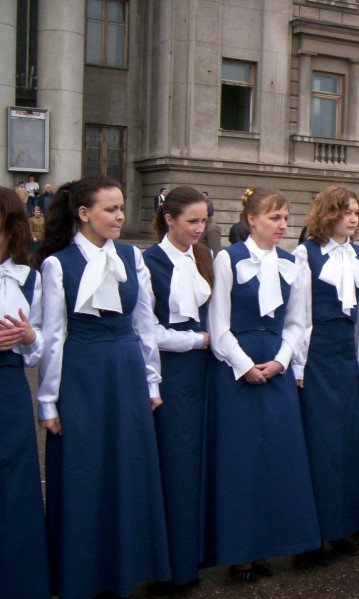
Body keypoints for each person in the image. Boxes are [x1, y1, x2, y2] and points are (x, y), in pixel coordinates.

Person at [36, 176, 170, 599]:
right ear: (83, 213)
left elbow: (144, 324)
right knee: (85, 471)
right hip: (83, 375)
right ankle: (82, 574)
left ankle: (125, 568)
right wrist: (48, 402)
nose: (120, 216)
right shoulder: (58, 264)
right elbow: (53, 336)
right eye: (110, 209)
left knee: (128, 468)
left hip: (127, 371)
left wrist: (152, 380)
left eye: (121, 208)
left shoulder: (132, 257)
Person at [205, 187, 321, 579]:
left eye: (286, 217)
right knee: (240, 461)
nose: (283, 225)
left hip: (276, 366)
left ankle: (268, 545)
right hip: (236, 368)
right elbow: (218, 323)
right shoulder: (228, 258)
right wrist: (244, 365)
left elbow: (299, 322)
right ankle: (240, 553)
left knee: (277, 458)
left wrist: (282, 360)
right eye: (274, 217)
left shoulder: (293, 263)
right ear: (252, 219)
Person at [292, 185, 359, 560]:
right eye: (346, 212)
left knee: (347, 441)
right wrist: (298, 363)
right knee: (319, 442)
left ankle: (342, 527)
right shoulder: (305, 254)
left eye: (356, 212)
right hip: (317, 353)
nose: (353, 218)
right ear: (329, 214)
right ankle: (311, 536)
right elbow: (299, 314)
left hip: (345, 354)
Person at [144, 186, 213, 587]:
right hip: (170, 370)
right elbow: (147, 332)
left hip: (204, 371)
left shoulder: (204, 256)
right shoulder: (149, 261)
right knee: (175, 466)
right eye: (192, 221)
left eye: (204, 221)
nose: (199, 228)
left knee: (200, 463)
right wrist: (197, 340)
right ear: (169, 219)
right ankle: (170, 566)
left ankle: (196, 555)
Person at [0, 186, 50, 599]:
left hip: (8, 388)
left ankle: (19, 582)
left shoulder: (29, 278)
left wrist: (30, 336)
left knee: (14, 483)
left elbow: (37, 352)